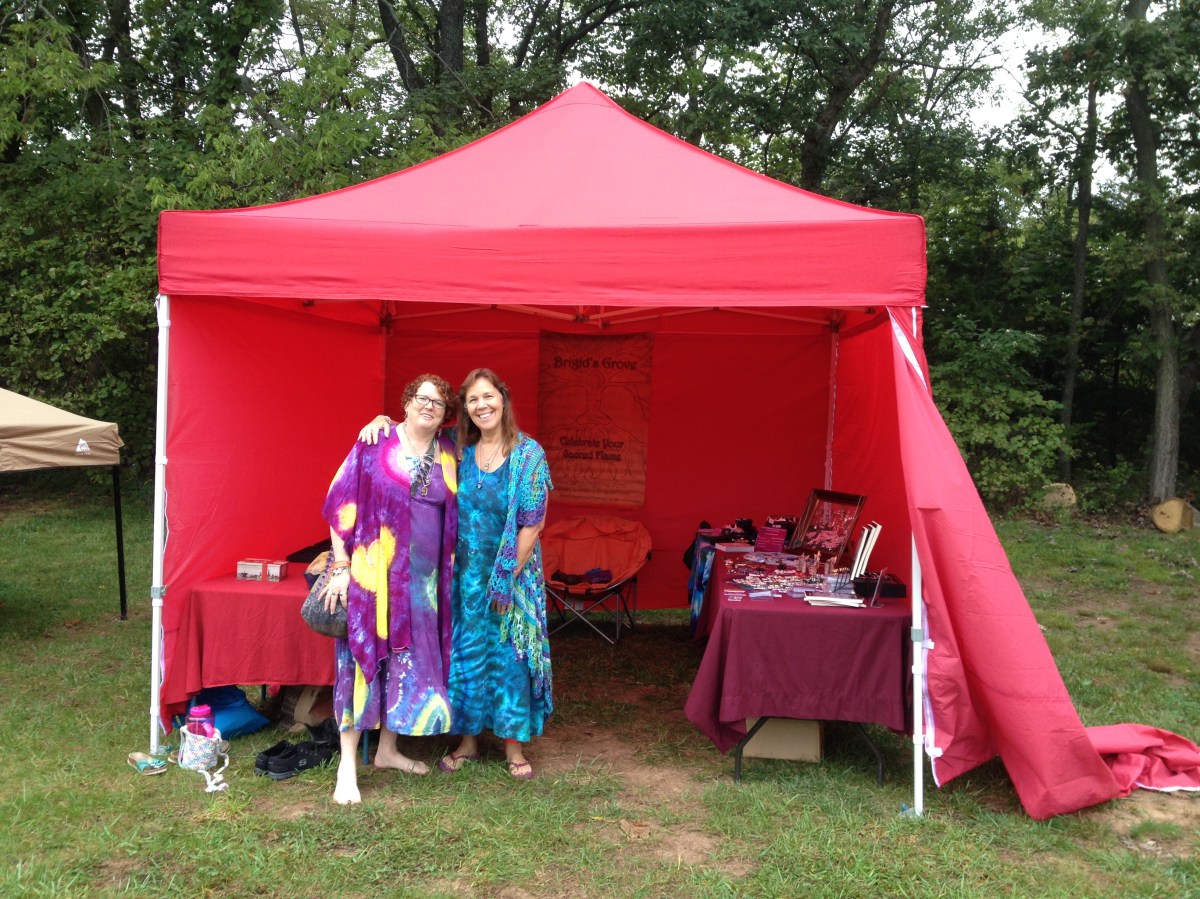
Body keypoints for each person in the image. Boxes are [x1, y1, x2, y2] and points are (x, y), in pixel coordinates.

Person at [360, 367, 553, 779]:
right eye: (472, 400)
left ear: (503, 399)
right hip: (462, 577)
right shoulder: (456, 447)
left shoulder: (528, 454)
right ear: (464, 409)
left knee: (510, 659)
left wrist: (505, 578)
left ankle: (513, 747)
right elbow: (416, 428)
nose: (482, 406)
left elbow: (532, 524)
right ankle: (468, 741)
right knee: (466, 657)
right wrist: (382, 421)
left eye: (488, 396)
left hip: (511, 576)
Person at [321, 374, 459, 804]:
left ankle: (387, 750)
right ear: (406, 402)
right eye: (421, 398)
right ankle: (347, 766)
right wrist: (341, 566)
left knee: (403, 664)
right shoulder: (375, 442)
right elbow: (340, 501)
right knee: (361, 662)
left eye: (438, 402)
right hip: (373, 577)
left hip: (423, 586)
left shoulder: (450, 451)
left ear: (445, 414)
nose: (428, 406)